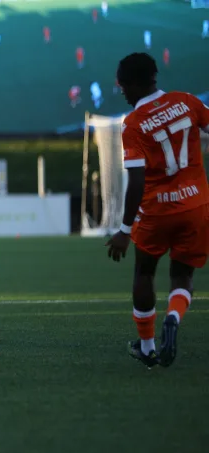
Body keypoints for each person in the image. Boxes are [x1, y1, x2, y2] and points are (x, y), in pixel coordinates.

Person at [106, 52, 209, 369]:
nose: (122, 92)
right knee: (182, 275)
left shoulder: (134, 124)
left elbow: (136, 181)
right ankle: (174, 318)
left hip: (156, 212)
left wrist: (124, 231)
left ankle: (148, 348)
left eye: (123, 86)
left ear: (134, 84)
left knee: (144, 272)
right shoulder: (188, 102)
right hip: (195, 205)